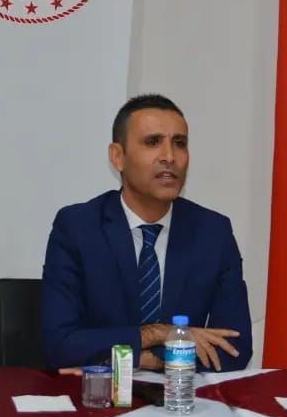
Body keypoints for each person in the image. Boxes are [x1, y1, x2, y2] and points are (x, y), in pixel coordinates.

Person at [42, 94, 253, 371]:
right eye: (153, 142)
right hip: (102, 396)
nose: (169, 157)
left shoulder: (213, 232)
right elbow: (60, 345)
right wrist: (157, 334)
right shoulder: (78, 228)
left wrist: (147, 360)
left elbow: (234, 348)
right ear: (118, 157)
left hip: (181, 394)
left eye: (179, 143)